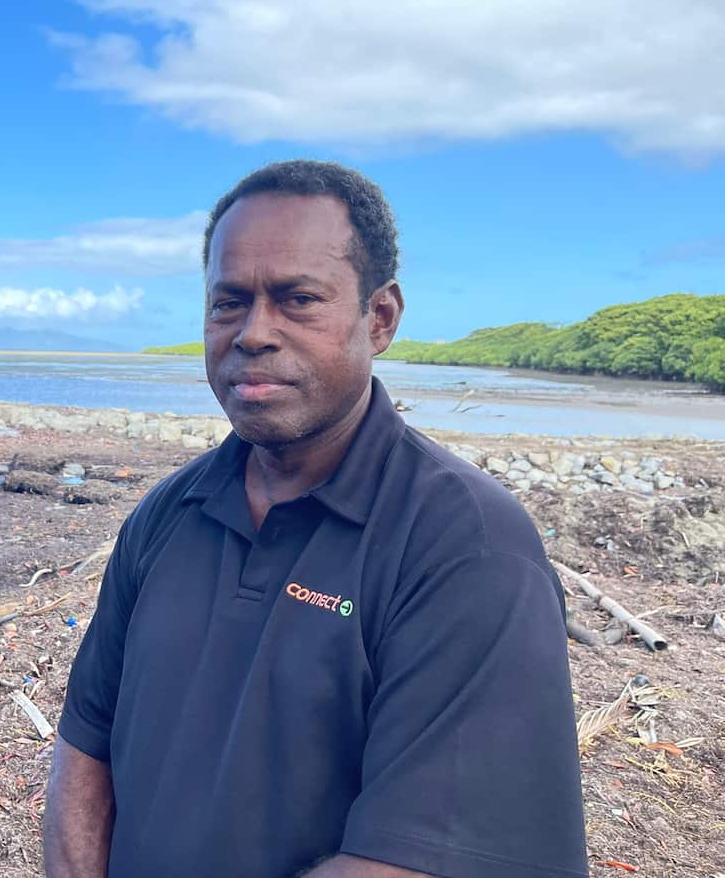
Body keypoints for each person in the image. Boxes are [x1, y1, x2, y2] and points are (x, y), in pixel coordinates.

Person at [42, 160, 588, 878]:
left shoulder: (466, 547)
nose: (253, 333)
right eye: (228, 302)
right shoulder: (166, 516)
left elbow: (415, 861)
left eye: (298, 299)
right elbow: (85, 749)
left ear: (381, 317)